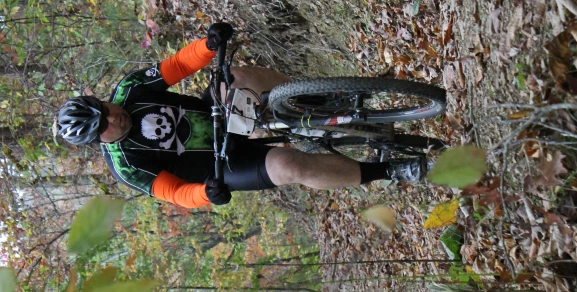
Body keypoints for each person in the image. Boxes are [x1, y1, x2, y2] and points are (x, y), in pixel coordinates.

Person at [54, 23, 426, 208]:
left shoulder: (129, 91)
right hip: (222, 164)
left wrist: (208, 45)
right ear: (96, 140)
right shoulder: (127, 165)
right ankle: (391, 170)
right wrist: (205, 193)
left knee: (238, 76)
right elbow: (177, 194)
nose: (113, 118)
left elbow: (179, 65)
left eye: (104, 110)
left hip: (217, 114)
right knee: (290, 167)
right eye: (103, 126)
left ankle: (316, 97)